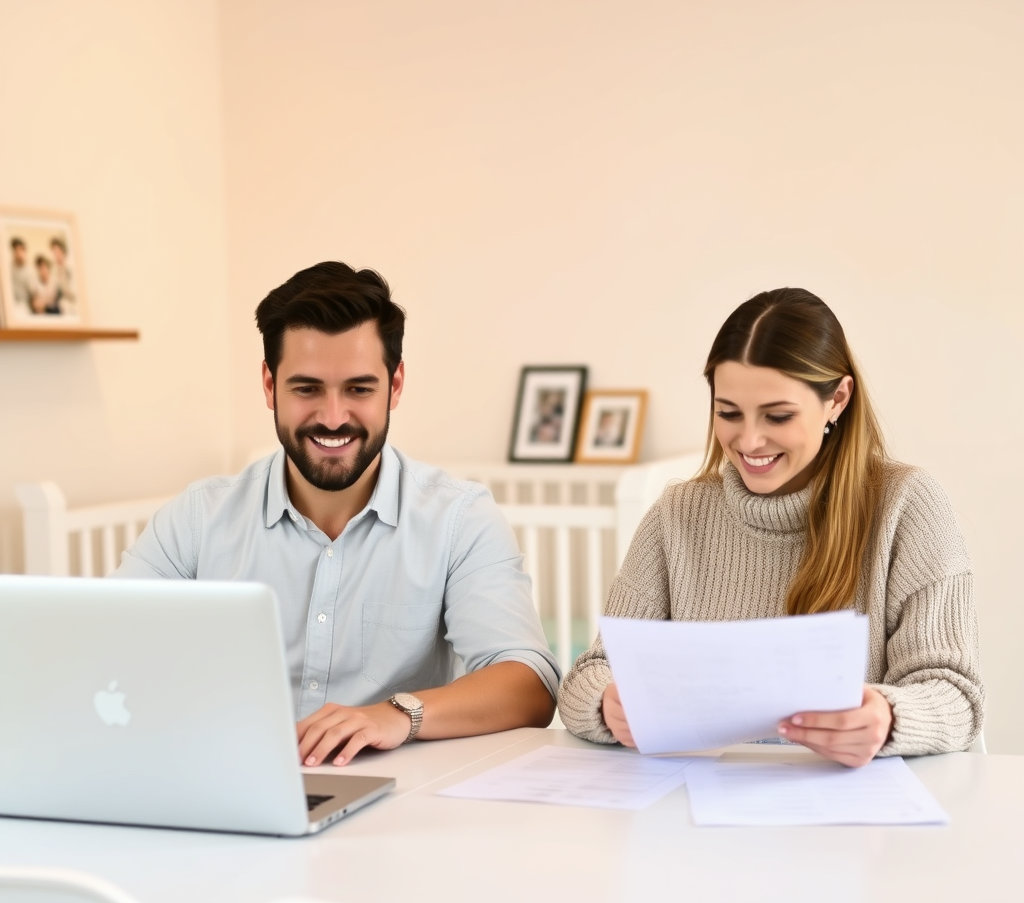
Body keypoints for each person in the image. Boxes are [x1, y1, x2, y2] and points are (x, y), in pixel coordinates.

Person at [113, 261, 559, 765]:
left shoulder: (460, 519)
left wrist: (395, 715)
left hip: (400, 808)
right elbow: (106, 643)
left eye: (358, 389)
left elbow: (529, 684)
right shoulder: (197, 519)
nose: (332, 417)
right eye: (307, 389)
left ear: (394, 385)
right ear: (268, 385)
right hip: (224, 781)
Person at [558, 287, 983, 767]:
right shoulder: (677, 515)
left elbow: (957, 697)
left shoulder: (906, 507)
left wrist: (888, 717)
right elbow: (592, 672)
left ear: (838, 400)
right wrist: (606, 703)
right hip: (690, 814)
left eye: (777, 416)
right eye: (728, 413)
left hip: (847, 816)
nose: (749, 441)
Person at [8, 238, 33, 314]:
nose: (18, 253)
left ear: (24, 251)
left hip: (23, 306)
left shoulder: (30, 271)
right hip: (10, 303)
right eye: (15, 250)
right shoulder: (9, 268)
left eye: (20, 250)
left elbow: (32, 294)